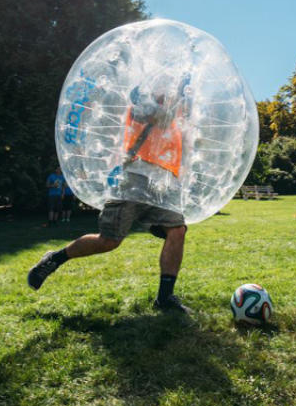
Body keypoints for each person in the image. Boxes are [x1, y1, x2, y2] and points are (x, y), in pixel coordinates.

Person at [28, 75, 192, 313]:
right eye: (164, 83)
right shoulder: (140, 100)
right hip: (132, 179)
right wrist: (177, 94)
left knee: (177, 230)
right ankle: (55, 258)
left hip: (162, 182)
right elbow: (159, 118)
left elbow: (180, 139)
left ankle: (164, 298)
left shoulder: (174, 108)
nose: (167, 88)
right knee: (109, 241)